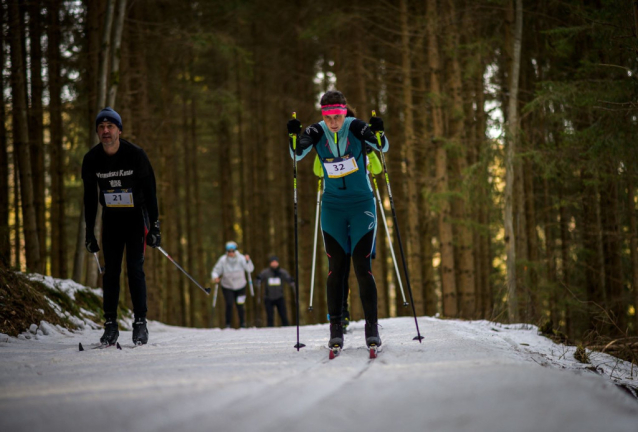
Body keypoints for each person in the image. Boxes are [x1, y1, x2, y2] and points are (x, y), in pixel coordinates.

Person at [288, 90, 389, 350]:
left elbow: (382, 146)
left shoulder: (355, 127)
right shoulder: (316, 131)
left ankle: (372, 328)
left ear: (345, 112)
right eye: (329, 116)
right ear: (323, 114)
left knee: (362, 267)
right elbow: (297, 155)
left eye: (338, 116)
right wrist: (293, 137)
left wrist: (379, 132)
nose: (333, 121)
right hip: (333, 207)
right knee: (335, 269)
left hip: (361, 205)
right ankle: (336, 329)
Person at [82, 107, 161, 346]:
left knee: (135, 270)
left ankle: (140, 323)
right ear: (98, 131)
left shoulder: (136, 155)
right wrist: (89, 233)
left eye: (110, 127)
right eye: (101, 127)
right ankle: (110, 324)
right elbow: (88, 197)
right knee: (111, 273)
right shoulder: (92, 159)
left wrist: (155, 226)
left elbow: (151, 192)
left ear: (119, 130)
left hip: (136, 219)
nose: (106, 131)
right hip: (112, 220)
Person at [314, 148, 383, 333]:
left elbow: (377, 170)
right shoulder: (329, 147)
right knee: (340, 269)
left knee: (362, 267)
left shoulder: (361, 147)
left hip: (360, 214)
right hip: (338, 216)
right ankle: (342, 313)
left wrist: (370, 153)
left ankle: (370, 320)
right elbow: (318, 171)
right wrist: (319, 153)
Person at [211, 241, 254, 328]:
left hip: (241, 286)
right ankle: (228, 324)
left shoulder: (242, 258)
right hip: (227, 286)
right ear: (226, 251)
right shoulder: (222, 260)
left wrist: (248, 261)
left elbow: (250, 269)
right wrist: (215, 277)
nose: (231, 253)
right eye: (229, 251)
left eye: (232, 251)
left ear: (235, 251)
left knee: (240, 304)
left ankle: (242, 324)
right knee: (229, 304)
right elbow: (216, 271)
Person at [255, 256, 295, 327]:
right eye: (272, 262)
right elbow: (259, 279)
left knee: (283, 314)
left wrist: (291, 280)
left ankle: (287, 328)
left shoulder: (282, 272)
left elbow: (288, 279)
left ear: (278, 263)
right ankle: (270, 329)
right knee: (270, 316)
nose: (274, 264)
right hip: (268, 297)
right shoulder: (266, 272)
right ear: (270, 263)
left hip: (280, 296)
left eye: (275, 262)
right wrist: (258, 279)